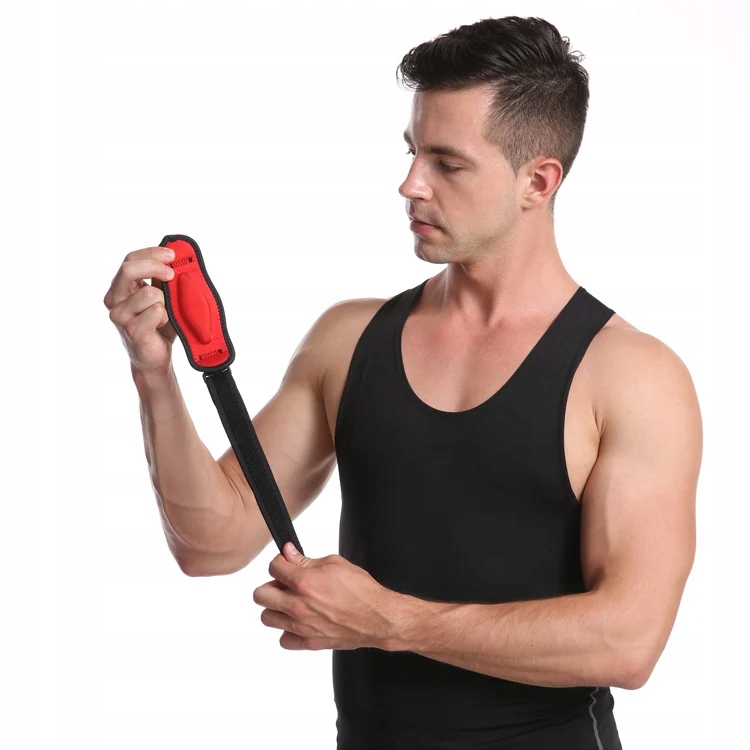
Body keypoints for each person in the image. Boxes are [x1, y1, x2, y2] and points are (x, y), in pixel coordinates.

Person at [103, 15, 702, 750]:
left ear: (538, 181)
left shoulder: (632, 375)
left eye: (447, 164)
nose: (410, 184)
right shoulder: (348, 341)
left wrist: (388, 621)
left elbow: (629, 641)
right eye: (413, 151)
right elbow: (211, 542)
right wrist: (153, 373)